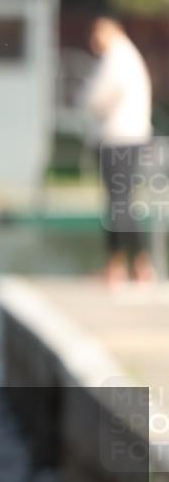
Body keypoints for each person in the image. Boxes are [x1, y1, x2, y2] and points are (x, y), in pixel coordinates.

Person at [80, 17, 156, 286]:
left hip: (120, 140)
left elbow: (96, 98)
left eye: (98, 33)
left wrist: (87, 100)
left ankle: (134, 265)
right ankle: (128, 264)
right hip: (123, 138)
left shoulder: (118, 58)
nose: (93, 39)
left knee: (120, 203)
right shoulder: (122, 57)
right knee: (120, 203)